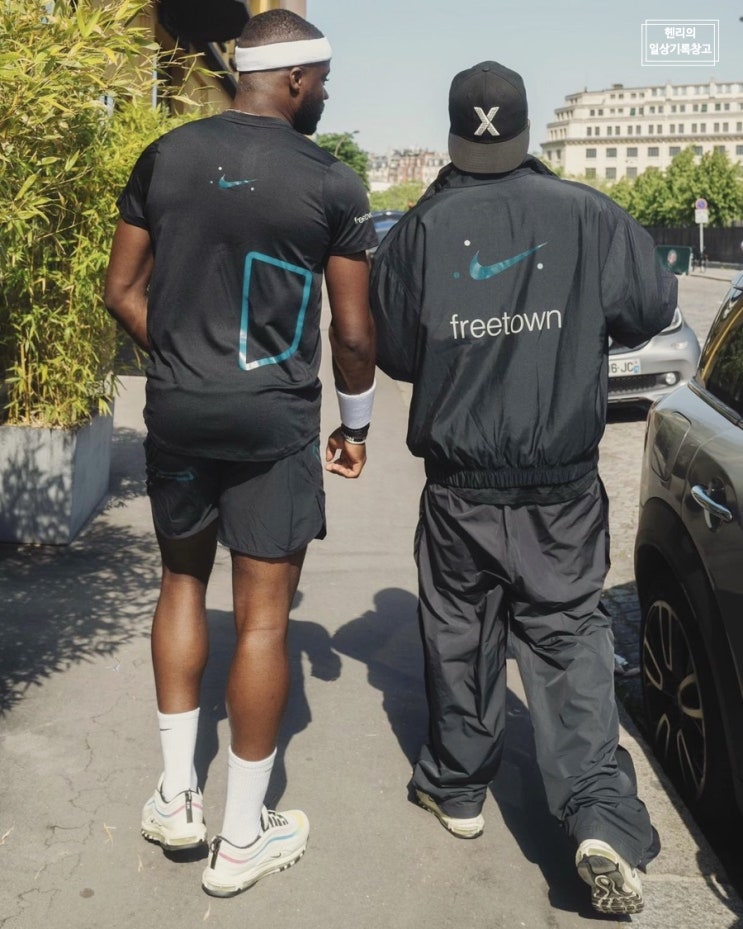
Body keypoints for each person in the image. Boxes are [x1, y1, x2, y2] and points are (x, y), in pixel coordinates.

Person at [370, 60, 677, 916]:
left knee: (458, 633)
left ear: (455, 134)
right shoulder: (588, 212)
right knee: (567, 637)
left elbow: (394, 349)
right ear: (525, 128)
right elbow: (650, 307)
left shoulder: (420, 228)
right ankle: (598, 817)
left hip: (459, 485)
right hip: (560, 486)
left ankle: (457, 788)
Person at [104, 9, 376, 898]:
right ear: (295, 79)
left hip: (180, 412)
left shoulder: (164, 157)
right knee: (262, 621)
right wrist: (356, 426)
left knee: (181, 583)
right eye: (323, 80)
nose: (326, 94)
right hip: (273, 423)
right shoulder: (330, 182)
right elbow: (352, 334)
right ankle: (240, 839)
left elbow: (120, 288)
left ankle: (177, 796)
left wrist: (187, 360)